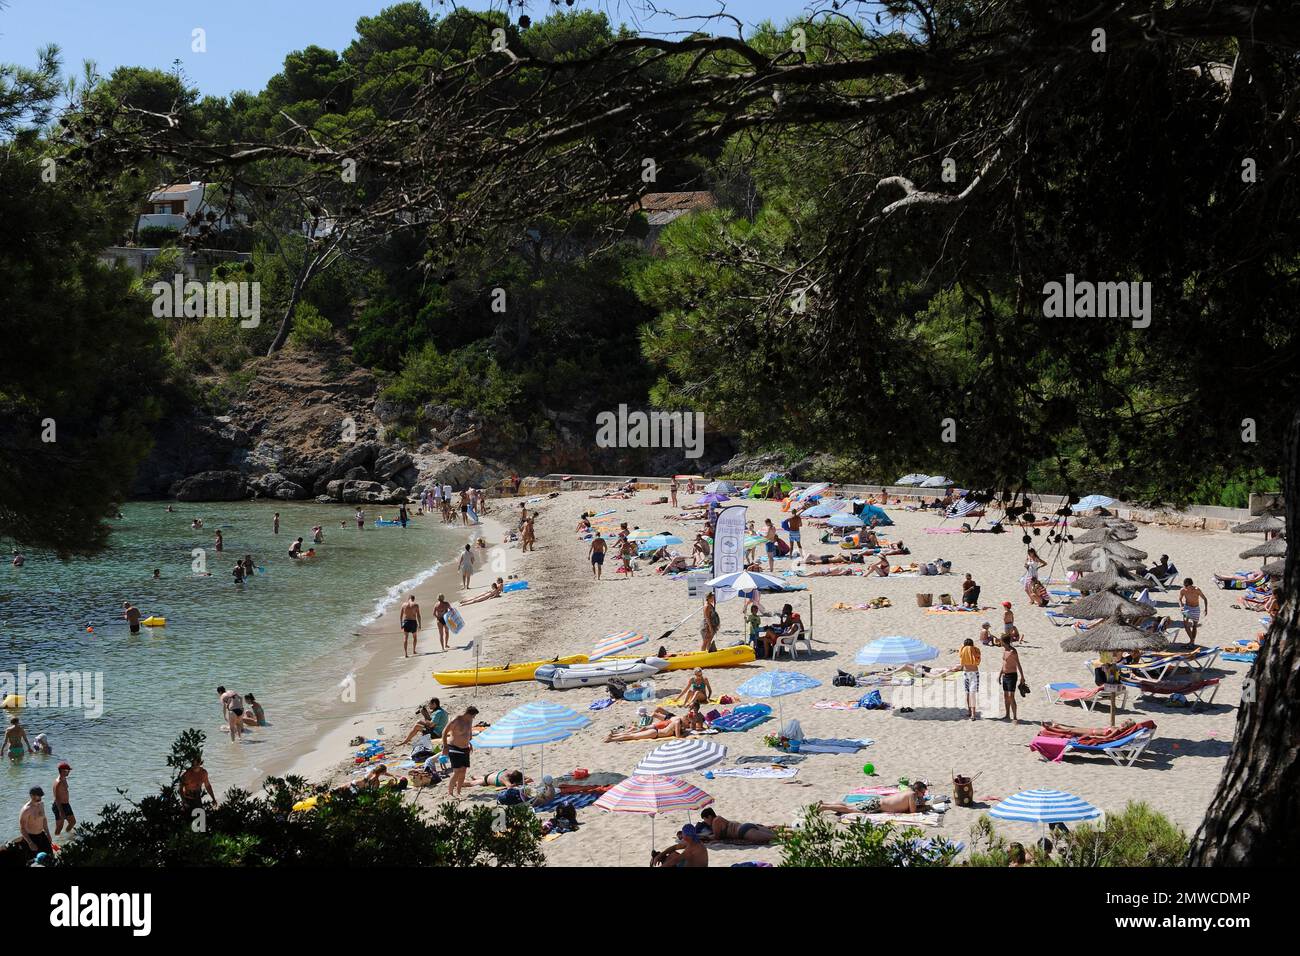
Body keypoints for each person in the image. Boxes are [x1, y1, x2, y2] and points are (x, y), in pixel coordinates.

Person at [818, 780, 929, 815]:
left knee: (849, 805)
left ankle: (826, 803)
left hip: (877, 801)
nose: (923, 795)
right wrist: (925, 807)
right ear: (917, 791)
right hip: (876, 805)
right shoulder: (911, 795)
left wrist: (922, 801)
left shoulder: (908, 791)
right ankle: (824, 807)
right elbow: (913, 811)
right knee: (849, 810)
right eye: (922, 793)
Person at [442, 705, 478, 798]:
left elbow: (469, 731)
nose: (474, 718)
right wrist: (445, 746)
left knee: (463, 771)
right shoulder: (456, 720)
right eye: (473, 715)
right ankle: (450, 793)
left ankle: (458, 792)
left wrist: (470, 742)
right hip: (454, 747)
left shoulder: (470, 720)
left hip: (465, 748)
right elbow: (444, 732)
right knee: (457, 771)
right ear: (468, 713)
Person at [698, 808, 781, 844]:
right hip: (745, 826)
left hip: (743, 832)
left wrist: (705, 837)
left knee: (776, 838)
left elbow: (717, 837)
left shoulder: (715, 821)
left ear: (709, 816)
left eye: (705, 819)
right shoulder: (719, 818)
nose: (705, 822)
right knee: (776, 834)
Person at [999, 634, 1026, 723]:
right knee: (1006, 696)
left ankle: (1015, 717)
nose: (1000, 642)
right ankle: (1007, 715)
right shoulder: (1005, 650)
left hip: (1012, 676)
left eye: (1001, 641)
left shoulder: (1012, 651)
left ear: (1004, 642)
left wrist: (1022, 677)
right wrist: (1000, 675)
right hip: (1005, 676)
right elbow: (1004, 664)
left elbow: (1018, 664)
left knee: (1011, 696)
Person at [20, 787, 53, 857]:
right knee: (35, 860)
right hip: (32, 838)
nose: (40, 798)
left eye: (41, 796)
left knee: (50, 856)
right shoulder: (26, 810)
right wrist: (30, 843)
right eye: (38, 796)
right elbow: (22, 828)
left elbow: (44, 819)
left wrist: (48, 834)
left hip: (42, 835)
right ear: (32, 796)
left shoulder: (41, 804)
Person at [605, 715, 688, 741]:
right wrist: (684, 736)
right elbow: (678, 736)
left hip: (655, 731)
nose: (688, 724)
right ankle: (612, 739)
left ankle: (614, 735)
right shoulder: (677, 722)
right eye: (688, 722)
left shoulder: (676, 721)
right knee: (632, 736)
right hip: (655, 733)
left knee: (632, 734)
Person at [1178, 578, 1209, 643]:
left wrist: (1206, 609)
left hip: (1196, 608)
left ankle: (1192, 641)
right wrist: (1181, 607)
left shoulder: (1197, 590)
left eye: (1186, 586)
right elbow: (1180, 599)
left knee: (1194, 626)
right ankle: (1192, 640)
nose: (1185, 587)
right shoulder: (1183, 590)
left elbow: (1205, 599)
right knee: (1185, 625)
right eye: (1184, 585)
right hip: (1187, 608)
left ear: (1190, 585)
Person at [959, 638, 981, 720]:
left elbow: (960, 657)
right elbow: (978, 659)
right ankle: (973, 714)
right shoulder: (975, 650)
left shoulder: (963, 650)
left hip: (966, 673)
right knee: (972, 694)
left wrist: (963, 646)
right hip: (974, 673)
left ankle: (969, 711)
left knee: (968, 693)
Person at [52, 762, 75, 834]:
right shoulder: (58, 782)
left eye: (69, 770)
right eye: (67, 770)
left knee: (72, 822)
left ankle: (67, 835)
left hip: (66, 804)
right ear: (62, 770)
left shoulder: (64, 779)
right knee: (59, 827)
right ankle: (55, 841)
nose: (69, 772)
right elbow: (57, 797)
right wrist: (61, 811)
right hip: (59, 806)